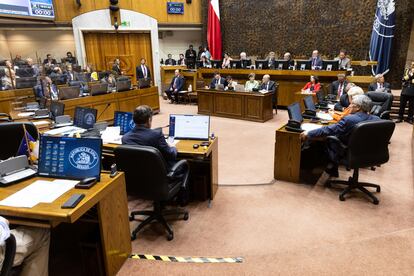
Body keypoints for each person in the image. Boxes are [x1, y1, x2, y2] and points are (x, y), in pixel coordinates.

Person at [300, 95, 380, 177]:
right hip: (369, 153)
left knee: (321, 140)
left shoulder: (349, 120)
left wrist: (309, 133)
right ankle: (332, 169)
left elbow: (329, 130)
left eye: (352, 104)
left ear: (358, 108)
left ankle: (326, 167)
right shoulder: (377, 119)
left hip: (349, 151)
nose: (349, 106)